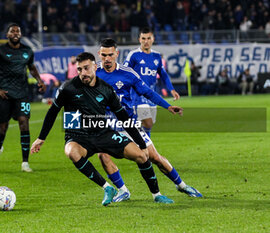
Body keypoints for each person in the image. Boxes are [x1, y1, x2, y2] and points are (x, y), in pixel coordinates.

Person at [30, 52, 182, 206]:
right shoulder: (67, 88)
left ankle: (157, 195)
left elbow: (123, 117)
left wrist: (142, 145)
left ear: (95, 67)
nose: (83, 73)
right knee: (71, 152)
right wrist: (41, 138)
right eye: (80, 70)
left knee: (142, 156)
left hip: (103, 133)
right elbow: (52, 113)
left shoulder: (106, 89)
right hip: (78, 136)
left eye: (86, 68)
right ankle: (107, 188)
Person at [96, 38, 202, 202]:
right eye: (104, 55)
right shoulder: (93, 74)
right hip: (108, 125)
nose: (107, 59)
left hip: (129, 124)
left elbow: (147, 92)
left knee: (154, 157)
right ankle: (122, 190)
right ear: (99, 54)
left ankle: (181, 185)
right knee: (102, 155)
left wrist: (167, 106)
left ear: (116, 54)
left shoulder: (127, 74)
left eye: (110, 55)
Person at [0, 23, 45, 172]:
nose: (15, 33)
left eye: (18, 31)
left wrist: (39, 80)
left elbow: (31, 67)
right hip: (5, 95)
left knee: (24, 123)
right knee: (2, 129)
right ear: (7, 34)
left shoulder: (27, 51)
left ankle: (25, 162)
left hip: (22, 94)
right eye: (12, 31)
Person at [123, 27, 180, 138]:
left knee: (149, 126)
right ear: (139, 39)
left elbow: (163, 74)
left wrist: (172, 90)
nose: (146, 41)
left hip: (151, 95)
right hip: (137, 96)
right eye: (143, 38)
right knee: (148, 122)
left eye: (148, 38)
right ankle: (126, 128)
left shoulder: (157, 56)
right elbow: (124, 72)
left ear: (153, 39)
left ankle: (146, 150)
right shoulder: (133, 55)